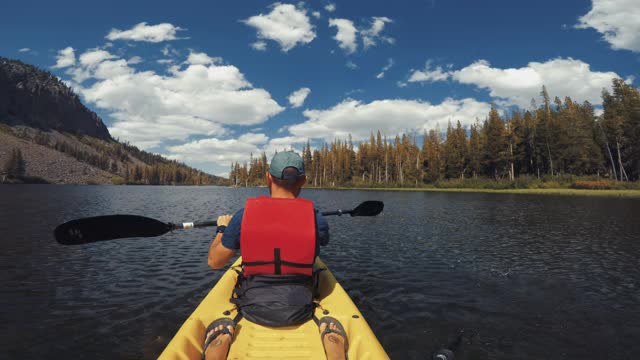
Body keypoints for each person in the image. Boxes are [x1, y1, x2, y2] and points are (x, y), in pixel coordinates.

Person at [203, 151, 348, 360]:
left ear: (268, 178)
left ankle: (219, 343)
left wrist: (222, 229)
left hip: (253, 306)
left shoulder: (243, 215)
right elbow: (322, 240)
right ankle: (333, 347)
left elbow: (214, 262)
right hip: (301, 306)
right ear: (304, 180)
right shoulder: (315, 217)